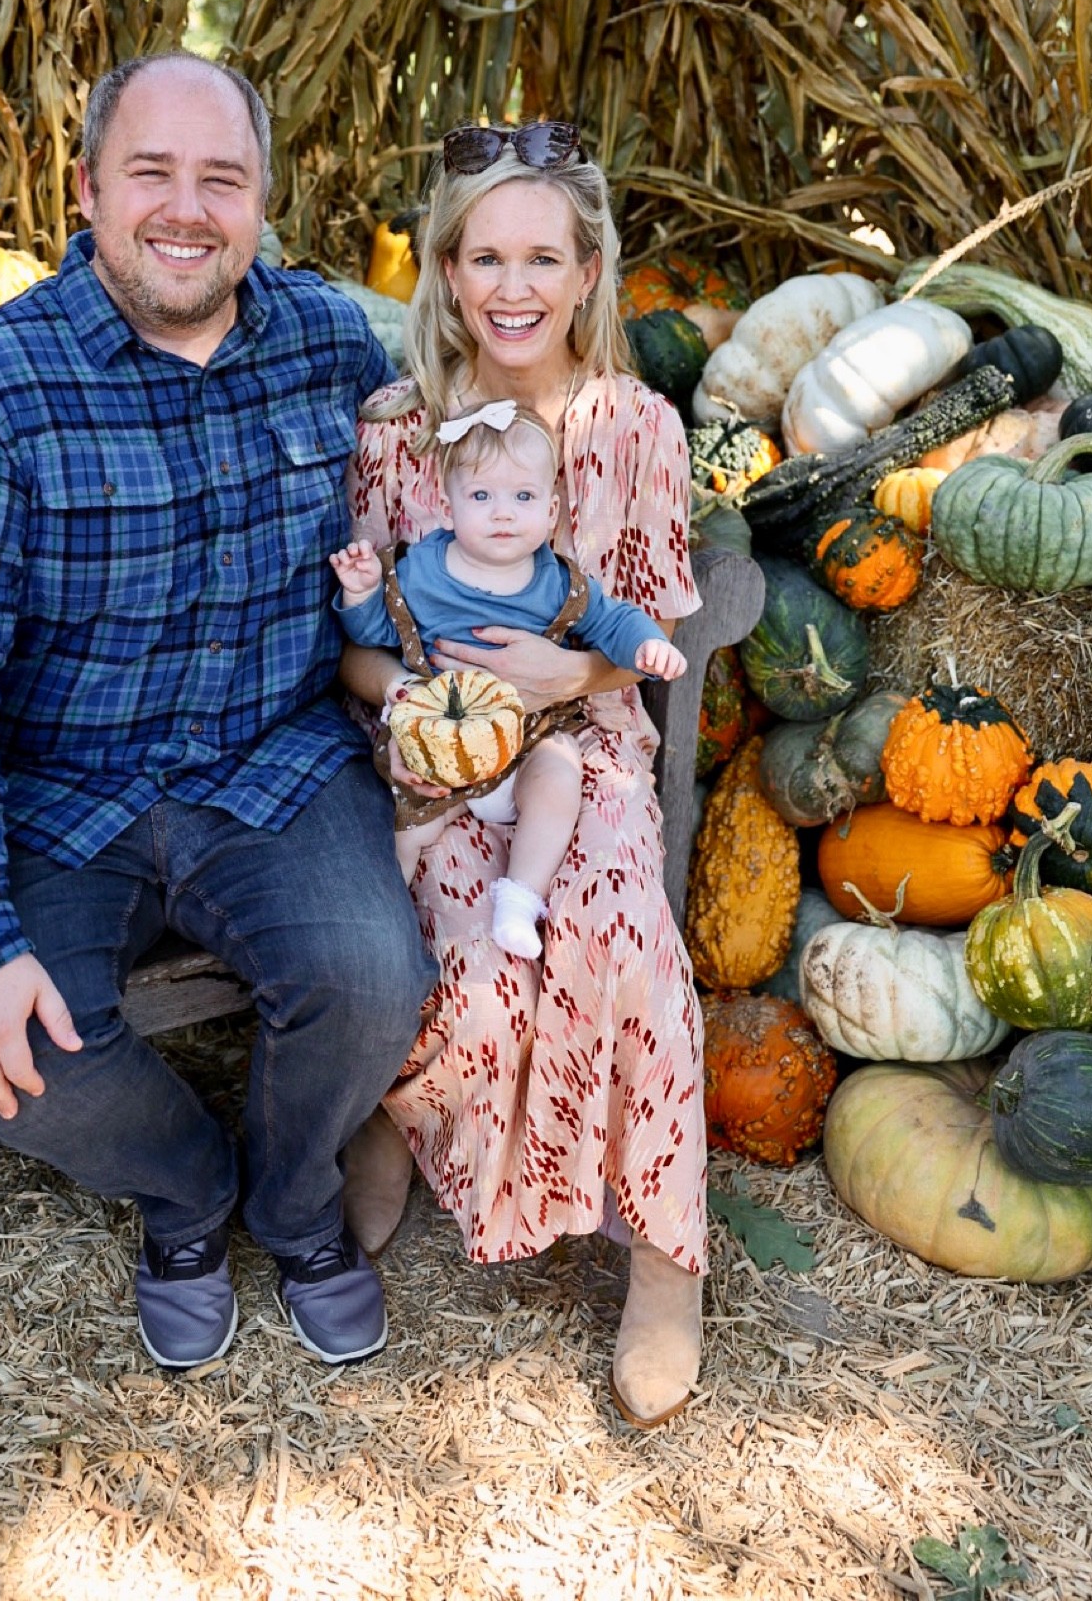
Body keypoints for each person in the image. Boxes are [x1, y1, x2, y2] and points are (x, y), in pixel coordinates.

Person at [0, 53, 435, 1374]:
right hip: (61, 795)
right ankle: (190, 1194)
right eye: (152, 175)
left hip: (271, 768)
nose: (187, 209)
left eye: (220, 179)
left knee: (372, 982)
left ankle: (297, 1206)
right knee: (3, 1054)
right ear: (86, 190)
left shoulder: (328, 344)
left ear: (262, 199)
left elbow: (441, 501)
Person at [337, 120, 708, 1428]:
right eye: (481, 256)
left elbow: (651, 627)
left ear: (588, 271)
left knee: (611, 919)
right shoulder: (396, 430)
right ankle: (391, 1117)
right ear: (442, 268)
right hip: (440, 739)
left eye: (540, 257)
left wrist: (568, 683)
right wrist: (426, 704)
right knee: (442, 920)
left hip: (587, 733)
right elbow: (361, 649)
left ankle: (666, 1258)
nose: (511, 287)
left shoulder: (634, 427)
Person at [330, 401, 687, 957]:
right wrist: (360, 591)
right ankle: (383, 932)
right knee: (403, 827)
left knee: (560, 777)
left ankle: (520, 898)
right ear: (447, 510)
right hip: (442, 745)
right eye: (481, 496)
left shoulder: (557, 584)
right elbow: (374, 632)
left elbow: (613, 619)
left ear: (550, 515)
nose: (502, 513)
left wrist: (648, 645)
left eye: (522, 497)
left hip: (531, 734)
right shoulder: (418, 572)